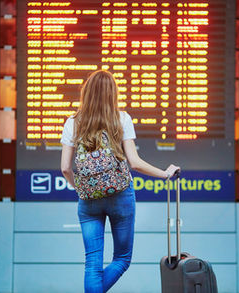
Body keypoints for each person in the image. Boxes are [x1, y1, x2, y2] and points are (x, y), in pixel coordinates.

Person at [60, 70, 180, 293]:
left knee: (92, 264)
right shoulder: (122, 118)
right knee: (122, 258)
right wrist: (165, 174)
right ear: (112, 93)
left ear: (86, 93)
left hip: (88, 201)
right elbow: (134, 163)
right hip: (120, 196)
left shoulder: (73, 122)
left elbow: (65, 168)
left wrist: (82, 188)